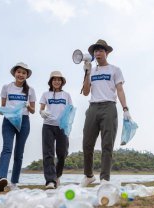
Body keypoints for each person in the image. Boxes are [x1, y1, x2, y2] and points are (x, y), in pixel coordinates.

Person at [80, 39, 132, 187]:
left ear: (107, 53)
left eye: (101, 50)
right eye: (96, 51)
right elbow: (85, 92)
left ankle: (104, 178)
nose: (98, 53)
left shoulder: (115, 70)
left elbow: (120, 90)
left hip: (109, 107)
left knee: (107, 144)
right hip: (93, 107)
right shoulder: (91, 70)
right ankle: (89, 175)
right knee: (87, 143)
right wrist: (86, 73)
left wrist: (125, 109)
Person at [0, 62, 36, 192]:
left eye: (24, 73)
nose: (21, 75)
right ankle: (1, 178)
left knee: (19, 153)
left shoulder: (30, 90)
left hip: (24, 121)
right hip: (9, 120)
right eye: (19, 72)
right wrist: (0, 111)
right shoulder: (6, 87)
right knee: (7, 148)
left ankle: (14, 183)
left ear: (26, 76)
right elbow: (2, 106)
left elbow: (33, 110)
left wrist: (28, 106)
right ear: (14, 73)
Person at [39, 71, 72, 189]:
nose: (57, 81)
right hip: (48, 125)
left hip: (62, 127)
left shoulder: (66, 95)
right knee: (48, 153)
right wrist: (42, 112)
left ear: (62, 82)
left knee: (62, 153)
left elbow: (70, 110)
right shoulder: (45, 94)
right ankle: (50, 181)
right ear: (51, 81)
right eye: (54, 79)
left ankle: (57, 176)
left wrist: (68, 123)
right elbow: (41, 109)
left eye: (59, 79)